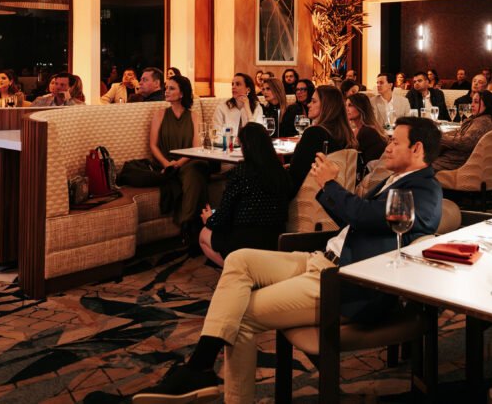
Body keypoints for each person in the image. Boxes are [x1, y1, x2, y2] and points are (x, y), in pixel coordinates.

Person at [133, 117, 444, 403]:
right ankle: (200, 368)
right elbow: (359, 223)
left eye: (395, 142)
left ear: (417, 149)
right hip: (321, 259)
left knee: (239, 315)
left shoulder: (425, 192)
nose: (387, 147)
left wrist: (330, 185)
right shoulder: (397, 181)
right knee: (240, 259)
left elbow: (364, 216)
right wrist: (330, 190)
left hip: (343, 281)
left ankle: (209, 377)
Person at [198, 123, 292, 267]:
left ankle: (239, 270)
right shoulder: (281, 172)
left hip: (244, 243)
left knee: (204, 235)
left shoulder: (241, 173)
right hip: (274, 242)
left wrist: (209, 219)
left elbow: (223, 215)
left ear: (245, 147)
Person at [147, 75, 211, 226]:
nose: (166, 91)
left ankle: (186, 223)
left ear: (182, 93)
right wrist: (167, 164)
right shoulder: (160, 115)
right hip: (165, 163)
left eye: (171, 88)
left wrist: (178, 163)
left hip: (187, 161)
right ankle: (194, 225)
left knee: (195, 171)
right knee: (197, 176)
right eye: (166, 88)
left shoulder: (193, 116)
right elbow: (153, 145)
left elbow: (196, 147)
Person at [287, 85, 355, 196]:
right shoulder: (346, 134)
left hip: (308, 198)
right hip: (334, 196)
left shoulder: (314, 133)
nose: (309, 105)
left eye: (314, 101)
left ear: (326, 106)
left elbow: (295, 176)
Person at [433, 90, 492, 172]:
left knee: (422, 166)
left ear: (487, 104)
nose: (472, 105)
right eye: (472, 101)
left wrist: (441, 137)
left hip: (459, 162)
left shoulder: (483, 122)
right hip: (460, 159)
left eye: (476, 102)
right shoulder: (488, 119)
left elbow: (465, 142)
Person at [346, 92, 387, 163]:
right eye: (345, 105)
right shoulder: (358, 129)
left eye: (350, 105)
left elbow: (359, 161)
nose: (346, 109)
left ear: (361, 107)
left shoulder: (368, 132)